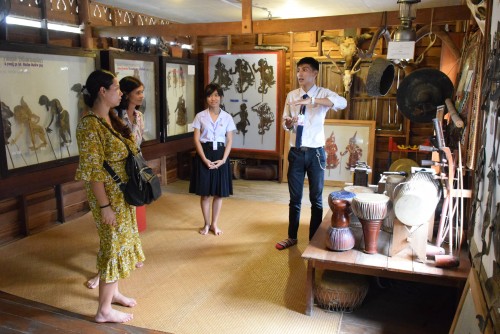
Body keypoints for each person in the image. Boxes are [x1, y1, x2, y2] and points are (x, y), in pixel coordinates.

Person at [75, 69, 145, 323]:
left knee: (122, 243)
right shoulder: (89, 124)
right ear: (102, 92)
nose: (120, 92)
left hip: (122, 195)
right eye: (116, 88)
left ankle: (113, 293)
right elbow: (93, 172)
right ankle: (103, 310)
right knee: (112, 247)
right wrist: (104, 206)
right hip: (109, 197)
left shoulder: (109, 119)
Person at [276, 57, 347, 250]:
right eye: (299, 70)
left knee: (316, 199)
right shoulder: (292, 95)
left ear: (315, 73)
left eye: (305, 69)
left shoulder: (323, 93)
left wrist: (313, 100)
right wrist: (288, 123)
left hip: (316, 153)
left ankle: (314, 239)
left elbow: (342, 102)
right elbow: (284, 122)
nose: (300, 73)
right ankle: (292, 236)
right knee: (294, 198)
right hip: (296, 152)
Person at [189, 83, 236, 235]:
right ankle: (206, 224)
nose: (213, 98)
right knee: (205, 193)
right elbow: (196, 140)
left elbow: (229, 140)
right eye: (209, 95)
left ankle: (215, 224)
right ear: (206, 98)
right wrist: (204, 159)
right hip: (205, 152)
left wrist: (223, 160)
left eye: (216, 95)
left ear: (221, 97)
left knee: (218, 193)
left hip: (220, 154)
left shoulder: (227, 117)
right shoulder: (200, 116)